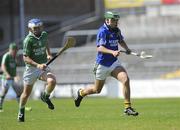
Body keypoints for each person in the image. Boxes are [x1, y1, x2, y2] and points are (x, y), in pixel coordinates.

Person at [74, 11, 138, 116]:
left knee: (125, 79)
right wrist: (112, 51)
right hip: (102, 65)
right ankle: (81, 93)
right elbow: (100, 48)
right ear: (107, 20)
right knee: (96, 90)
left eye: (116, 20)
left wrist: (127, 49)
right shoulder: (102, 31)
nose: (116, 22)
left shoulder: (117, 30)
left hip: (113, 64)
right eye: (113, 20)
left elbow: (121, 41)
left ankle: (127, 108)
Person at [17, 18, 56, 122]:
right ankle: (21, 111)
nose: (37, 30)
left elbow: (46, 42)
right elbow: (25, 58)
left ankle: (45, 96)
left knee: (52, 81)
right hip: (31, 69)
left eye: (38, 28)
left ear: (41, 27)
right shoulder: (28, 40)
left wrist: (48, 54)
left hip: (43, 67)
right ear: (30, 29)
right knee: (26, 94)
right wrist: (37, 65)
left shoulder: (44, 35)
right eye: (34, 28)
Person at [0, 43, 31, 112]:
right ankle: (0, 107)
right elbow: (3, 66)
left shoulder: (14, 57)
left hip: (12, 78)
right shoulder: (6, 56)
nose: (15, 52)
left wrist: (16, 75)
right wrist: (7, 74)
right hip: (6, 78)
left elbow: (14, 68)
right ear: (11, 50)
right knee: (4, 92)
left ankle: (22, 107)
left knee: (18, 92)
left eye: (16, 50)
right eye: (14, 50)